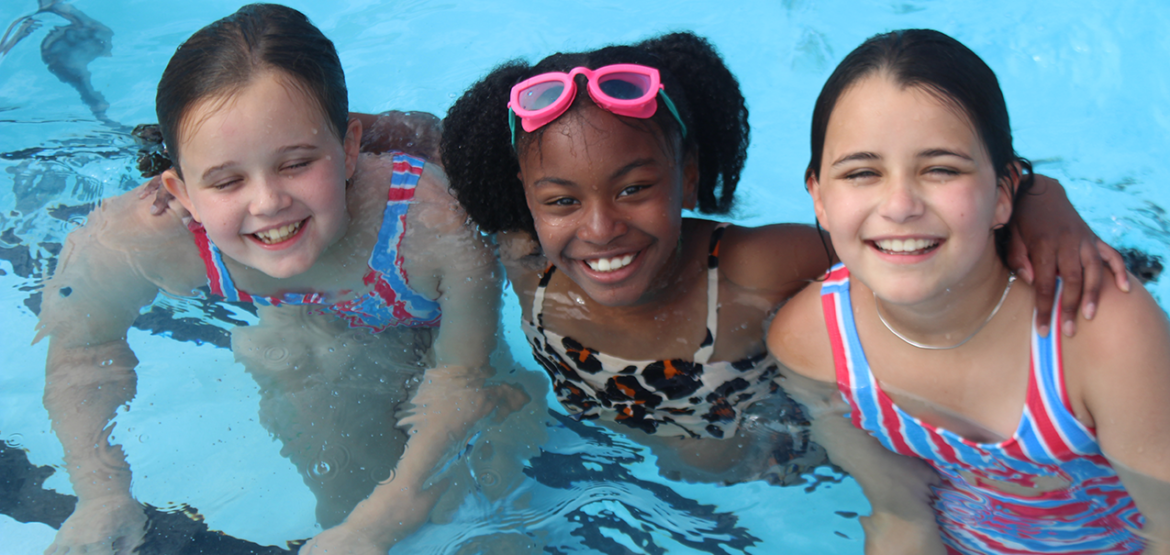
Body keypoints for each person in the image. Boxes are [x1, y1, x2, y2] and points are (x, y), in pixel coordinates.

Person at [440, 31, 1125, 484]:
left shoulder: (755, 267)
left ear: (687, 175)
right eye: (560, 200)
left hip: (792, 473)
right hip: (618, 472)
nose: (600, 227)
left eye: (635, 188)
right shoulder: (527, 260)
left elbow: (906, 236)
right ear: (525, 200)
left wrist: (1039, 196)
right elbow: (427, 141)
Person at [35, 5, 525, 555]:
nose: (268, 202)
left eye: (295, 164)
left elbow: (462, 376)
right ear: (180, 192)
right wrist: (101, 495)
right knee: (319, 428)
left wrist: (376, 526)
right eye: (226, 181)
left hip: (431, 332)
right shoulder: (139, 238)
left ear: (348, 150)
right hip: (310, 336)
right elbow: (82, 346)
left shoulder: (429, 227)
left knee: (502, 495)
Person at [768, 29, 1169, 554]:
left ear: (1004, 194)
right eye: (862, 172)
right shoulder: (813, 342)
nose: (900, 204)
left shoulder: (1097, 331)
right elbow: (901, 518)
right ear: (818, 197)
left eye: (940, 169)